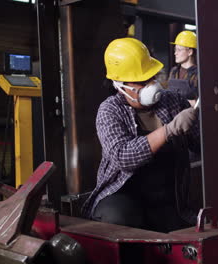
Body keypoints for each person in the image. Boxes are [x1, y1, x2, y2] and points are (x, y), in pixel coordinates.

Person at [82, 38, 200, 234]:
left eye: (152, 77)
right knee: (121, 218)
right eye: (142, 81)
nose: (151, 85)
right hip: (124, 196)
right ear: (120, 85)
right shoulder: (110, 111)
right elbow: (123, 157)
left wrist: (199, 120)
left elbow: (199, 145)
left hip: (167, 197)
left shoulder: (173, 101)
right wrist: (169, 130)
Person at [168, 30, 198, 106]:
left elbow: (200, 102)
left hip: (189, 115)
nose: (175, 53)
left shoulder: (198, 74)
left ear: (190, 52)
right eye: (175, 49)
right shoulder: (174, 71)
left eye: (179, 50)